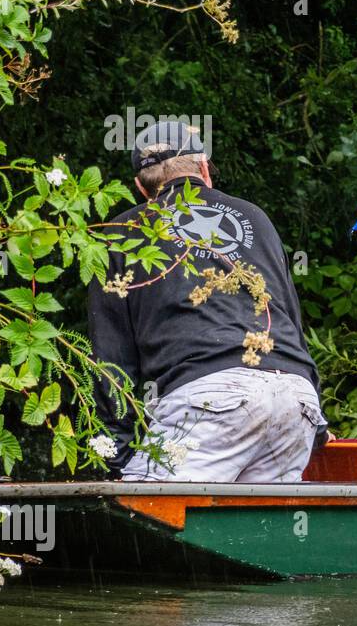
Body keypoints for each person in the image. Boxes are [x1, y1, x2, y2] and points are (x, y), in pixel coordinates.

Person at [88, 120, 328, 481]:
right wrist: (318, 425)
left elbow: (112, 359)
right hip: (295, 397)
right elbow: (288, 320)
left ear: (141, 187)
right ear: (203, 169)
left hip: (211, 395)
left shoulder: (121, 234)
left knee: (142, 522)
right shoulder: (256, 218)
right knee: (255, 534)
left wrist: (117, 455)